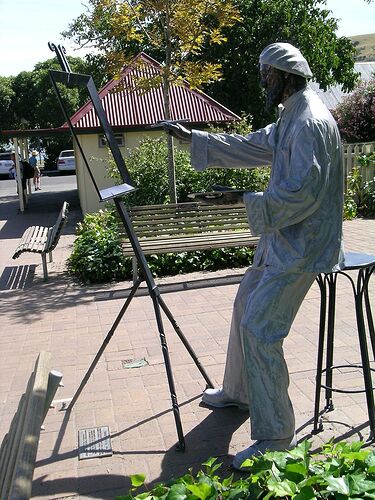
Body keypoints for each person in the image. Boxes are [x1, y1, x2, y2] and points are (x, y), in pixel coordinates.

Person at [161, 42, 344, 470]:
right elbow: (254, 145)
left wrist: (241, 201)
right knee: (245, 301)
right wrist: (196, 138)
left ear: (284, 75)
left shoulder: (311, 121)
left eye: (266, 74)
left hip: (304, 246)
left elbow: (303, 193)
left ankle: (276, 435)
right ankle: (239, 392)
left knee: (261, 328)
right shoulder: (292, 115)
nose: (262, 80)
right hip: (284, 239)